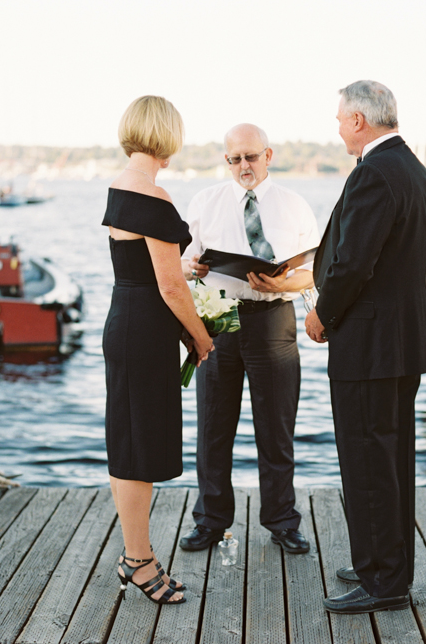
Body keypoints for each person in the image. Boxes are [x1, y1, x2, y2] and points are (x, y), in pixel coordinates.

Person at [305, 81, 426, 614]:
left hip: (369, 340)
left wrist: (322, 313)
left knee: (367, 459)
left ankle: (383, 582)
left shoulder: (373, 174)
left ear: (360, 120)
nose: (338, 127)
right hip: (401, 337)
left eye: (340, 119)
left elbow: (354, 263)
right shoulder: (413, 169)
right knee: (390, 456)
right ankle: (381, 563)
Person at [178, 123, 319, 555]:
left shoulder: (294, 205)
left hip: (273, 321)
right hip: (220, 322)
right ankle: (210, 521)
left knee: (276, 428)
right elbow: (181, 262)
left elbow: (315, 270)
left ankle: (281, 521)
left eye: (251, 157)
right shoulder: (205, 202)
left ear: (268, 155)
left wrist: (283, 286)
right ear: (226, 161)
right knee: (213, 429)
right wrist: (194, 267)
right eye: (235, 158)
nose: (243, 165)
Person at [102, 95, 215, 606]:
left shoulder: (119, 186)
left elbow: (141, 266)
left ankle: (135, 554)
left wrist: (181, 273)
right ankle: (139, 561)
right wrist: (200, 334)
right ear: (167, 136)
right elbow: (170, 289)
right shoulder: (155, 195)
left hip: (123, 318)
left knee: (128, 445)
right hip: (146, 330)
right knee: (139, 451)